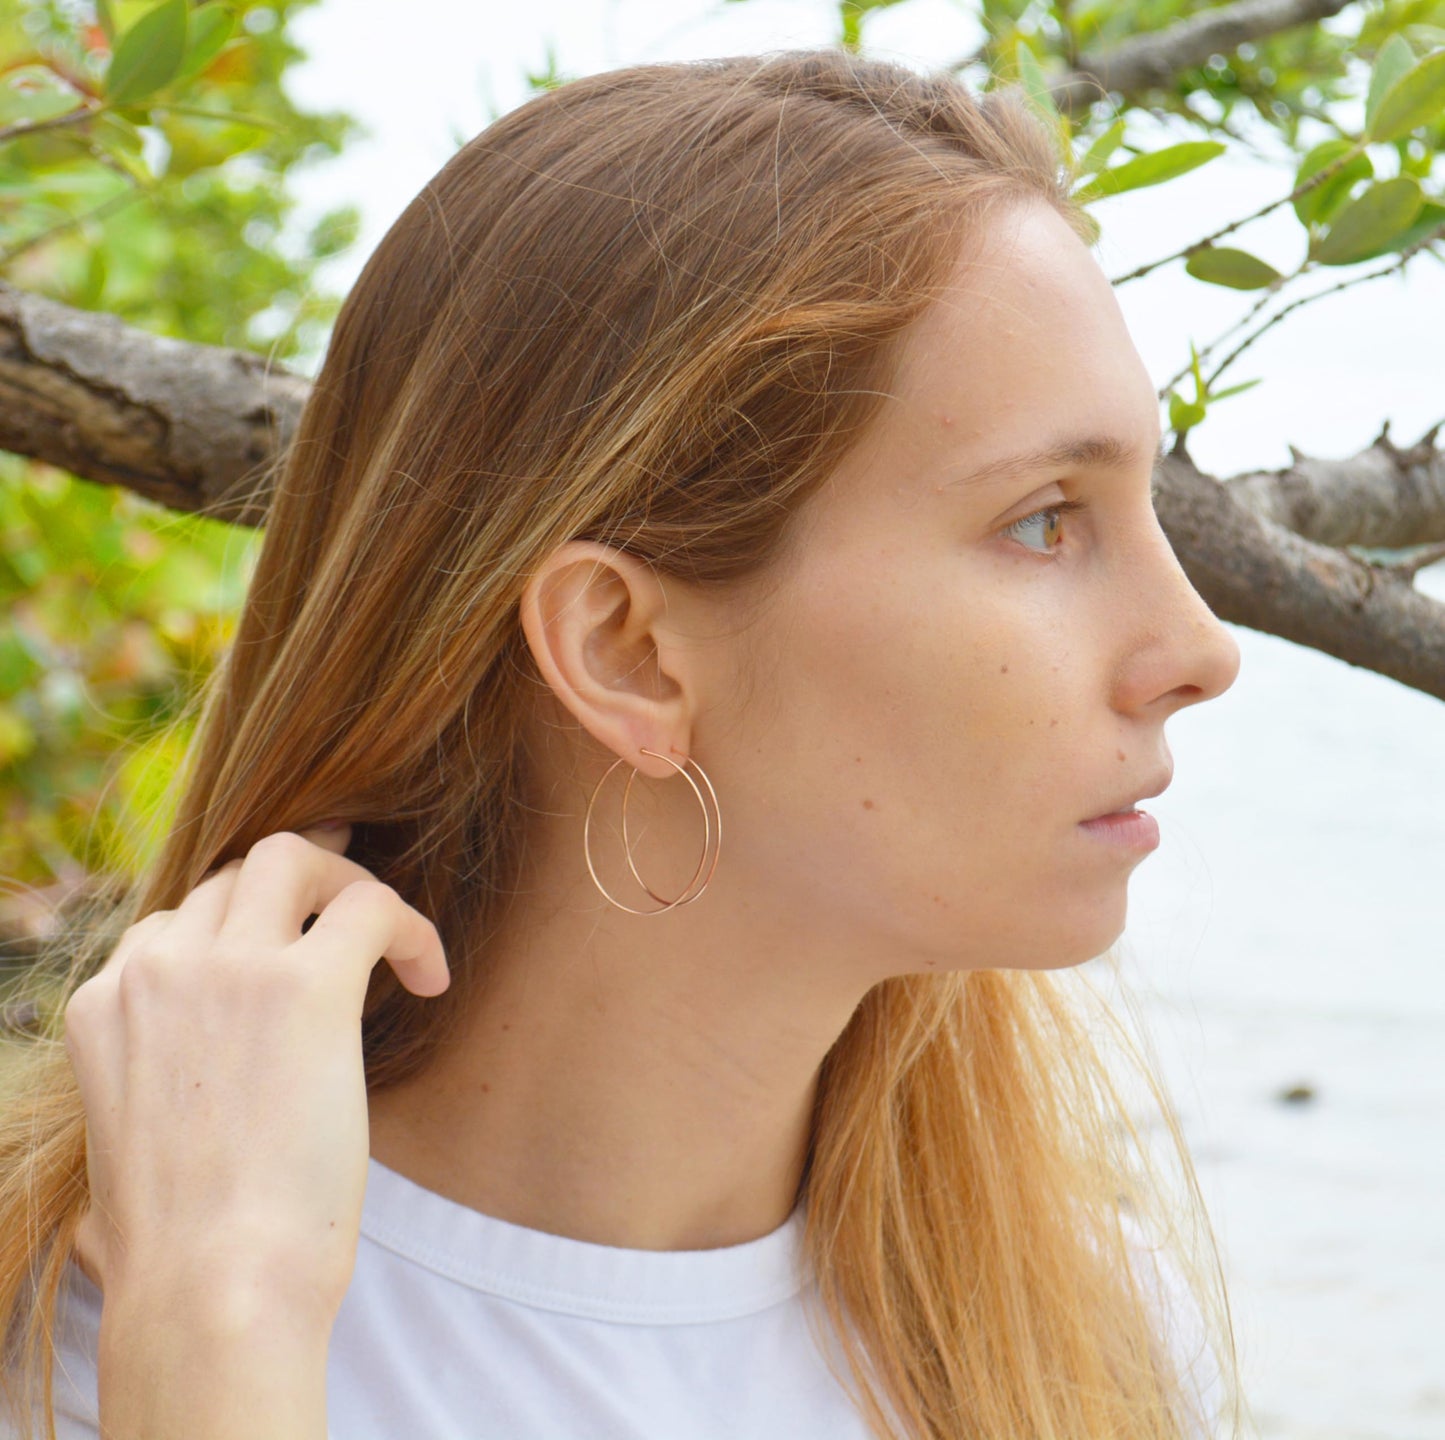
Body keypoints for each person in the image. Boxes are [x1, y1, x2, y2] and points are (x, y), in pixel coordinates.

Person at [0, 46, 1244, 1440]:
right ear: (625, 652)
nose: (1197, 652)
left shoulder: (1073, 1336)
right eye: (1041, 519)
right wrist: (220, 1326)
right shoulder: (76, 1340)